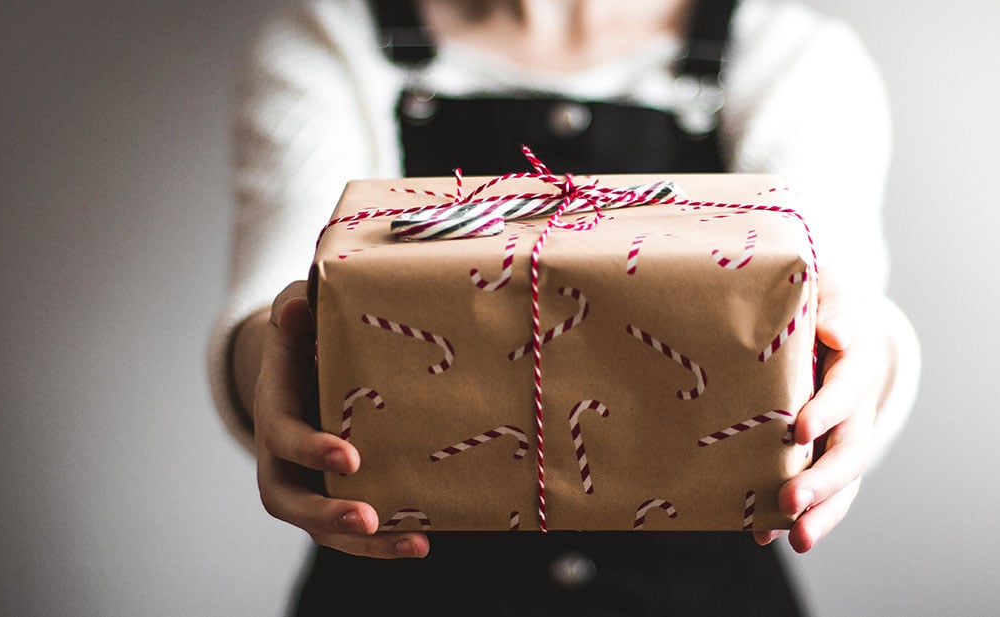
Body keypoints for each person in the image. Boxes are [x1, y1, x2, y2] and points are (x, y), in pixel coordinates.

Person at [208, 0, 920, 614]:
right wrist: (271, 371)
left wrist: (868, 360)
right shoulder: (334, 43)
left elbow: (838, 293)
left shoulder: (791, 56)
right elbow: (278, 296)